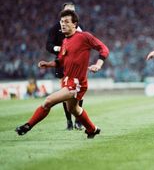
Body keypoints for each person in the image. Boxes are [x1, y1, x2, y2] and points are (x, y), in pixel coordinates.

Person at [15, 9, 109, 139]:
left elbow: (103, 49)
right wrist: (48, 64)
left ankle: (27, 126)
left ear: (74, 24)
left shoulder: (84, 37)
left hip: (76, 83)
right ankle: (92, 129)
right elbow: (61, 61)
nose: (63, 24)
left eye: (66, 22)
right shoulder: (65, 41)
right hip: (67, 81)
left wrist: (98, 64)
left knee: (48, 101)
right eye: (61, 22)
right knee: (73, 110)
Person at [46, 2, 85, 130]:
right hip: (62, 64)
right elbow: (48, 45)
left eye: (73, 11)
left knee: (78, 93)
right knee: (65, 93)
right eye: (68, 10)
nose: (71, 13)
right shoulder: (55, 28)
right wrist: (59, 48)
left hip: (77, 65)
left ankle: (78, 121)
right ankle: (69, 121)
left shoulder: (79, 28)